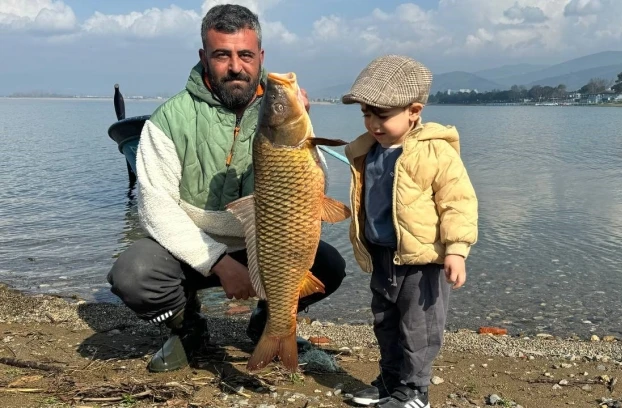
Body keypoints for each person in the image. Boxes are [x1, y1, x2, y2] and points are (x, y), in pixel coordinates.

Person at [106, 4, 346, 373]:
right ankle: (188, 328)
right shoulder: (169, 119)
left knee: (329, 264)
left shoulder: (282, 111)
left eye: (246, 55)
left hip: (265, 248)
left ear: (260, 56)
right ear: (204, 56)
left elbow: (309, 196)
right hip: (192, 249)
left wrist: (307, 129)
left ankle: (270, 321)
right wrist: (218, 263)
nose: (236, 66)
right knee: (134, 274)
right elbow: (156, 208)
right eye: (222, 55)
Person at [342, 55, 478, 408]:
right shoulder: (368, 151)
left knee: (418, 328)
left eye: (382, 115)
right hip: (382, 253)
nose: (373, 123)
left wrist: (456, 250)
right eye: (366, 114)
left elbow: (458, 202)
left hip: (422, 261)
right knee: (384, 321)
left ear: (414, 111)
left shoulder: (436, 152)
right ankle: (390, 382)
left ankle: (415, 391)